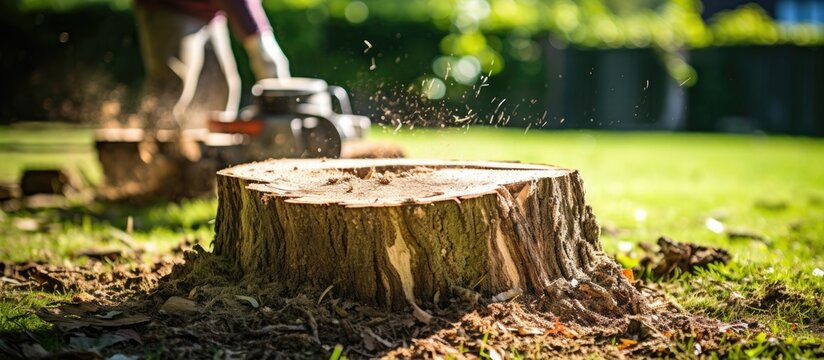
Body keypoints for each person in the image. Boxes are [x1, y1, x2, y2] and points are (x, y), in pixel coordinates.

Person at [133, 0, 290, 129]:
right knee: (174, 84)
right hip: (171, 6)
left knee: (221, 89)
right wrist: (258, 42)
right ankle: (149, 150)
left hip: (210, 13)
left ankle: (206, 159)